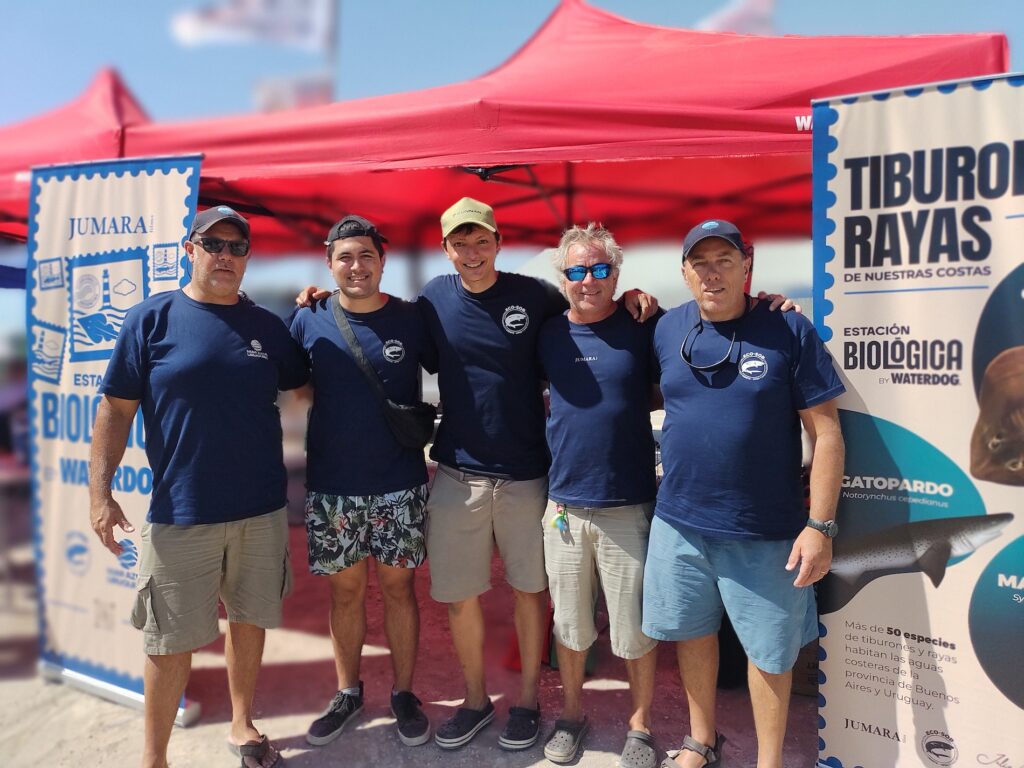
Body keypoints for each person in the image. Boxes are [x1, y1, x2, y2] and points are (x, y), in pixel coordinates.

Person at [297, 198, 658, 752]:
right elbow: (370, 312)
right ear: (446, 249)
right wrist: (320, 300)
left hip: (528, 476)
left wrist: (634, 296)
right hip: (457, 475)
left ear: (497, 241)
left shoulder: (535, 296)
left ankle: (531, 703)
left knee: (530, 592)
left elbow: (587, 307)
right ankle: (473, 701)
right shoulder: (433, 301)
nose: (472, 252)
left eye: (481, 240)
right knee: (459, 596)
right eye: (460, 243)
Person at [89, 206, 308, 768]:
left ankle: (241, 723)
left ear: (247, 259)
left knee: (250, 619)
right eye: (214, 244)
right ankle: (153, 758)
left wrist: (316, 311)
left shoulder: (266, 327)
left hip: (261, 508)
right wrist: (100, 494)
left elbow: (305, 384)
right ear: (191, 249)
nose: (225, 256)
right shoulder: (151, 320)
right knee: (168, 641)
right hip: (181, 512)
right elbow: (114, 409)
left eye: (237, 248)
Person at [642, 220, 845, 768]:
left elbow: (825, 433)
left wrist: (820, 526)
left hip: (765, 530)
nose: (713, 272)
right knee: (692, 635)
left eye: (724, 260)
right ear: (685, 273)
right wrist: (634, 298)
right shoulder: (665, 329)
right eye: (700, 262)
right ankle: (700, 741)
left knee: (769, 653)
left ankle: (769, 761)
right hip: (679, 522)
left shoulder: (789, 329)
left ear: (746, 266)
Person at [288, 215, 436, 749]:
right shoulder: (307, 319)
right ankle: (348, 692)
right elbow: (287, 383)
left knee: (400, 591)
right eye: (345, 257)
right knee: (345, 596)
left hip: (399, 482)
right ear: (329, 263)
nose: (356, 266)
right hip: (332, 486)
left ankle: (403, 693)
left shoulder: (413, 319)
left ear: (383, 260)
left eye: (366, 256)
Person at [536, 223, 661, 767]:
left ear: (618, 274)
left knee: (633, 626)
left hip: (627, 504)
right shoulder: (547, 333)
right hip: (563, 505)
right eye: (577, 271)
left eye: (601, 269)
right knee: (569, 623)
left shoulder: (644, 327)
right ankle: (570, 714)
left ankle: (640, 725)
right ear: (562, 277)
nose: (589, 280)